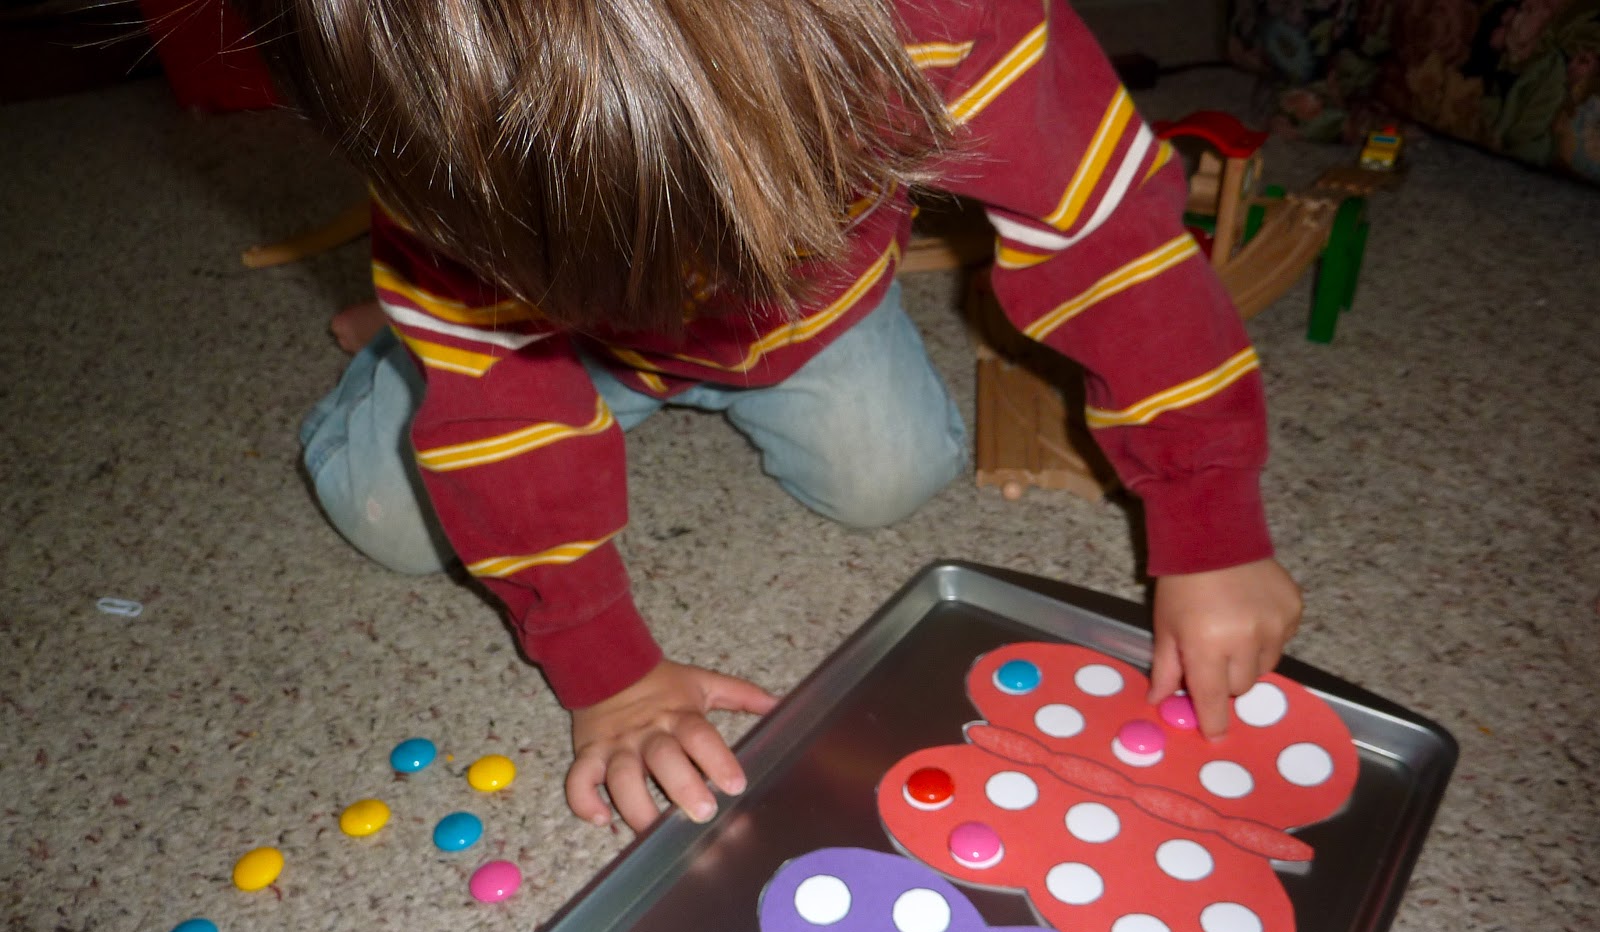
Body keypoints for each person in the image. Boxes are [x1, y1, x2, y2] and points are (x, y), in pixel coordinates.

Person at [243, 0, 1302, 833]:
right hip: (547, 338)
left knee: (892, 479)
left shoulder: (955, 15)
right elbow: (497, 426)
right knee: (396, 518)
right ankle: (408, 338)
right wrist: (606, 673)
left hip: (809, 309)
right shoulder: (445, 120)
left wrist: (1207, 516)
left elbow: (1106, 241)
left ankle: (487, 324)